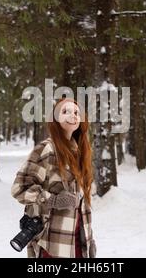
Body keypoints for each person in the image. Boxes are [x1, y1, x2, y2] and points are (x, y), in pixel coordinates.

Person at [11, 97, 96, 258]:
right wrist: (53, 200)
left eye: (77, 112)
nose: (73, 115)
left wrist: (90, 241)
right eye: (66, 111)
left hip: (78, 243)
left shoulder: (80, 152)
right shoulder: (47, 149)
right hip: (53, 245)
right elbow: (19, 188)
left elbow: (81, 204)